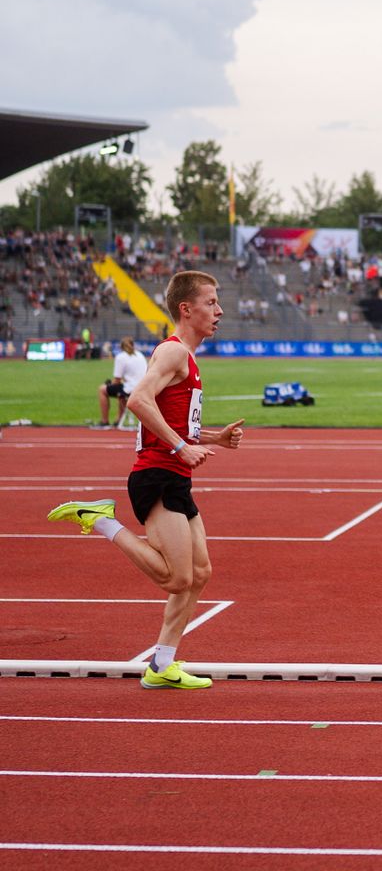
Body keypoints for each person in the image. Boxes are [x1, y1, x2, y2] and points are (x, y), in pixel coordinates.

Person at [47, 271, 246, 690]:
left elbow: (170, 421)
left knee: (200, 572)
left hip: (174, 474)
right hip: (156, 475)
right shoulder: (172, 353)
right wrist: (180, 448)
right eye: (211, 302)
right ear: (185, 309)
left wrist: (214, 439)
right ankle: (101, 519)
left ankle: (162, 664)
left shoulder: (187, 359)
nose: (220, 311)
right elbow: (137, 400)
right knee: (176, 578)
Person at [98, 337, 149, 429]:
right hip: (144, 388)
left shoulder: (121, 357)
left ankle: (104, 421)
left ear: (121, 347)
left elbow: (117, 380)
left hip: (131, 389)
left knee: (102, 389)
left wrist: (109, 384)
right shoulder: (140, 355)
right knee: (121, 391)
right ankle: (118, 420)